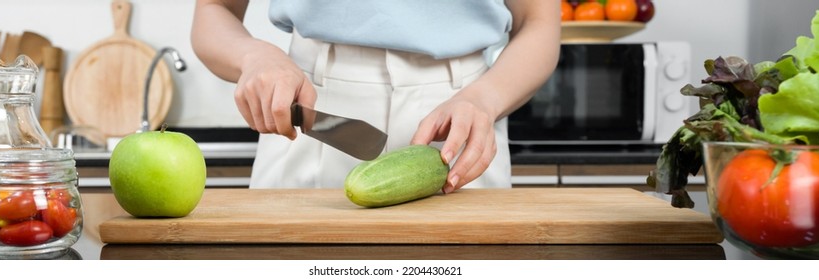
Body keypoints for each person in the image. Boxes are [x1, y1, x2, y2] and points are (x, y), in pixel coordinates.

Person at [191, 0, 559, 193]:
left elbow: (539, 23)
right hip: (312, 106)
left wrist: (486, 99)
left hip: (461, 119)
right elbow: (214, 9)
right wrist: (254, 57)